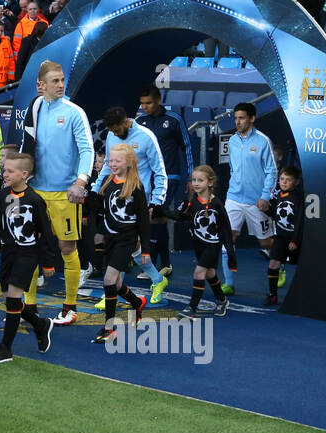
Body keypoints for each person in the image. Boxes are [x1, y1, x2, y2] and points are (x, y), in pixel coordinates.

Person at [18, 60, 93, 324]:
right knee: (30, 247)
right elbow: (27, 147)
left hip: (65, 192)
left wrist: (80, 182)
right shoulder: (35, 107)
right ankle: (29, 307)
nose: (60, 85)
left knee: (66, 246)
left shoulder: (74, 112)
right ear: (41, 85)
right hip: (37, 190)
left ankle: (70, 307)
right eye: (55, 81)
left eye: (62, 80)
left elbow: (87, 150)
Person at [0, 151, 58, 362]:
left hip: (28, 253)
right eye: (4, 170)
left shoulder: (35, 200)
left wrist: (48, 262)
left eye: (9, 171)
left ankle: (5, 348)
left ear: (24, 174)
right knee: (9, 301)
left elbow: (46, 234)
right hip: (8, 253)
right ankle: (40, 324)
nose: (4, 174)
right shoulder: (4, 195)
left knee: (14, 297)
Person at [94, 106, 171, 305]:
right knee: (130, 245)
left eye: (117, 130)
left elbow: (160, 171)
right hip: (114, 201)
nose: (114, 134)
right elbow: (106, 169)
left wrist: (156, 202)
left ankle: (110, 287)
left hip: (138, 201)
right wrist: (94, 191)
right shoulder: (112, 135)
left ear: (126, 122)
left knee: (124, 244)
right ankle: (157, 280)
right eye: (111, 131)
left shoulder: (147, 137)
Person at [88, 143, 150, 343]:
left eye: (117, 160)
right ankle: (136, 302)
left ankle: (109, 327)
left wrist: (145, 249)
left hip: (127, 239)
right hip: (111, 238)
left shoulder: (136, 187)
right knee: (117, 282)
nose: (113, 164)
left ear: (129, 162)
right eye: (110, 160)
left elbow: (143, 221)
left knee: (108, 280)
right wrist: (99, 232)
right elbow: (99, 209)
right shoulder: (107, 181)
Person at [220, 102, 277, 295]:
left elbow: (271, 171)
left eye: (242, 118)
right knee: (229, 237)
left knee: (265, 243)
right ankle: (228, 283)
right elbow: (234, 169)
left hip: (257, 201)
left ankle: (280, 264)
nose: (237, 122)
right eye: (235, 118)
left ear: (252, 118)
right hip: (233, 198)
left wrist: (265, 196)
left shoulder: (263, 141)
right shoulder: (233, 140)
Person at [136, 85, 193, 278]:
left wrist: (191, 177)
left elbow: (187, 147)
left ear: (158, 101)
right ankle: (164, 264)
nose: (145, 107)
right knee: (154, 219)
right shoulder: (140, 122)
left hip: (170, 177)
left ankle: (156, 264)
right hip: (146, 179)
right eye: (142, 103)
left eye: (149, 103)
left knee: (155, 216)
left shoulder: (174, 120)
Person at [165, 165, 234, 317]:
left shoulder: (216, 204)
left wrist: (230, 251)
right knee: (209, 273)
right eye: (194, 180)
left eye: (200, 180)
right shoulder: (190, 200)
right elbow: (178, 215)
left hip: (213, 244)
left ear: (210, 183)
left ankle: (192, 308)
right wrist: (159, 211)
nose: (196, 183)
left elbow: (225, 228)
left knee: (199, 272)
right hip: (198, 244)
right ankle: (222, 300)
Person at [265, 166, 304, 306]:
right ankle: (272, 295)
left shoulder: (298, 198)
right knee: (273, 263)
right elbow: (275, 214)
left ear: (296, 182)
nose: (284, 182)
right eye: (282, 179)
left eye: (288, 180)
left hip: (294, 239)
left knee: (301, 266)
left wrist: (295, 240)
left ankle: (301, 296)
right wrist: (266, 209)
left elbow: (300, 220)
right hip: (280, 237)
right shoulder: (277, 195)